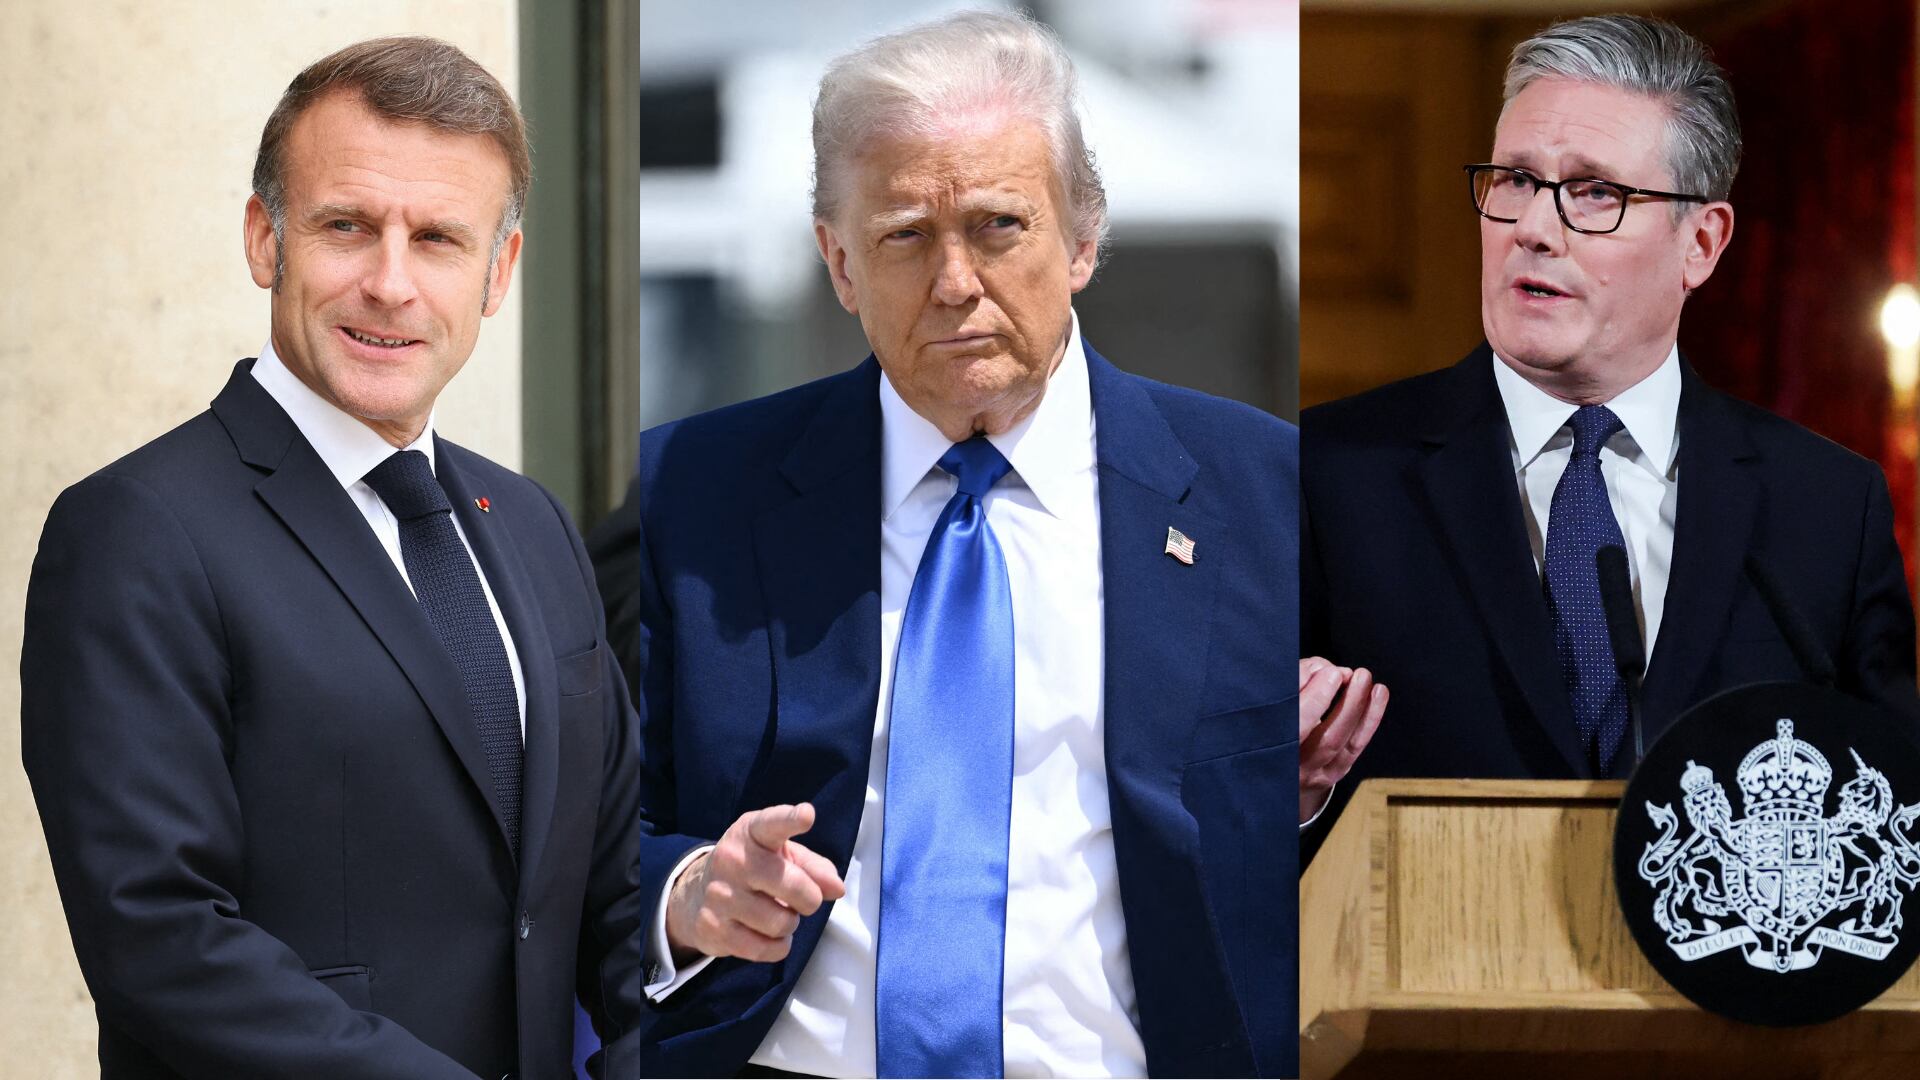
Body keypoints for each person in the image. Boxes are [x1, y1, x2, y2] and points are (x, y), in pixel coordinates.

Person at [590, 11, 1297, 1078]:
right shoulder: (693, 491)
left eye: (1002, 226)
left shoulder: (1268, 494)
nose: (956, 281)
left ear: (1084, 240)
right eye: (906, 235)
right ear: (838, 261)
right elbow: (578, 835)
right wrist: (691, 890)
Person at [20, 37, 642, 1078]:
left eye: (439, 238)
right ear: (267, 239)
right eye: (348, 226)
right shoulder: (134, 532)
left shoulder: (533, 524)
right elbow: (162, 938)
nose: (390, 284)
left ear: (500, 273)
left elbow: (610, 882)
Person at [1300, 14, 1920, 864]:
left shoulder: (1824, 508)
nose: (1534, 227)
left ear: (1700, 244)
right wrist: (1291, 795)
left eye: (1595, 192)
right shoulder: (1326, 476)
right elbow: (1218, 814)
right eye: (1515, 179)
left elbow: (1891, 827)